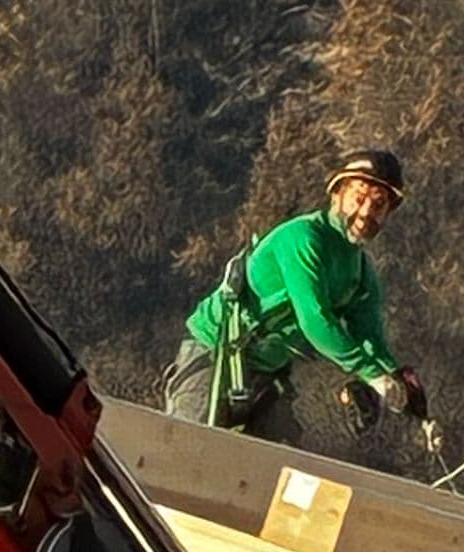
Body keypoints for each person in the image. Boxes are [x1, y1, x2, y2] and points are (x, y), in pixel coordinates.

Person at [162, 149, 439, 454]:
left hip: (266, 372)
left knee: (280, 465)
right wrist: (371, 374)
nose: (366, 212)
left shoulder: (361, 272)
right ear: (337, 195)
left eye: (378, 205)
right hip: (215, 354)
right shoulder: (304, 239)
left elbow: (371, 338)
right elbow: (316, 320)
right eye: (358, 198)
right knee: (186, 453)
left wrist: (405, 396)